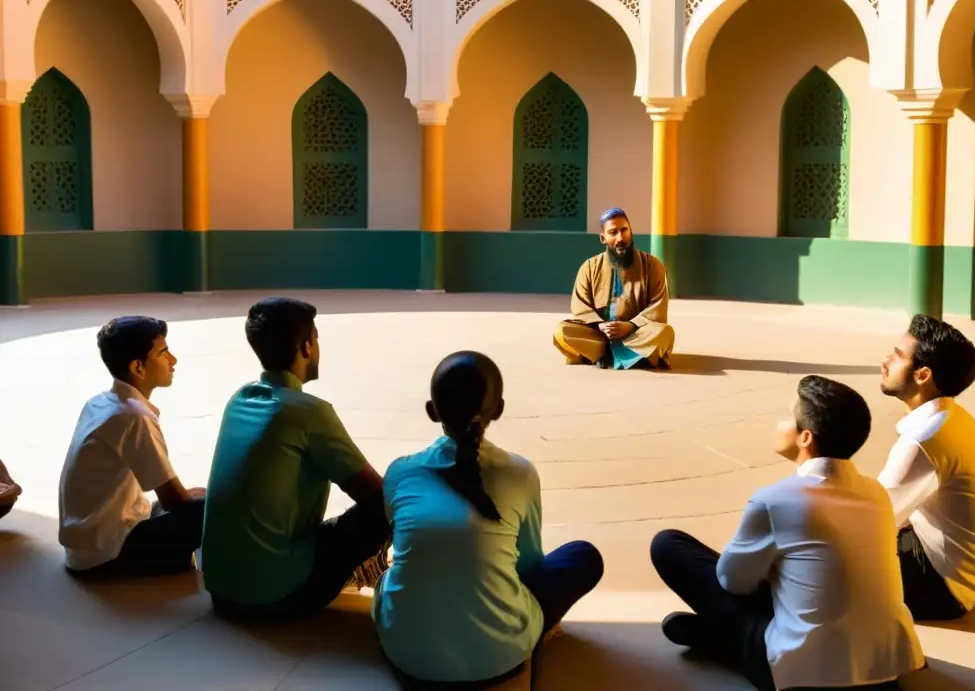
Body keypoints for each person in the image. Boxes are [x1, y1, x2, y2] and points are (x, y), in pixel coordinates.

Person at [651, 375, 924, 691]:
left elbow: (733, 582)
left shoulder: (775, 499)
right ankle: (715, 634)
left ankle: (719, 638)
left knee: (669, 546)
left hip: (804, 675)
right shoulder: (876, 493)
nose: (779, 423)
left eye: (786, 416)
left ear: (805, 437)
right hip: (885, 667)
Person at [373, 351, 604, 688]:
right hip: (500, 657)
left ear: (432, 410)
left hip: (407, 655)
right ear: (499, 409)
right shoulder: (520, 473)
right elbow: (528, 565)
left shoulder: (400, 471)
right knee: (582, 557)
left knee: (393, 576)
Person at [201, 297, 390, 621]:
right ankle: (372, 573)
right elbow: (375, 494)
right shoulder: (309, 412)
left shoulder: (239, 399)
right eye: (316, 340)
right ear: (305, 347)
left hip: (220, 591)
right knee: (385, 505)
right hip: (276, 598)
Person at [58, 317, 205, 577]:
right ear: (138, 367)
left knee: (203, 497)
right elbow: (173, 500)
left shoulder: (101, 402)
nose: (173, 360)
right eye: (163, 352)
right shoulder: (134, 417)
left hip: (85, 547)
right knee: (217, 508)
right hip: (107, 554)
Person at [877, 314, 975, 622]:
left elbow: (872, 520)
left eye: (898, 356)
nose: (885, 361)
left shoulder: (924, 440)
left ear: (922, 375)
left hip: (942, 588)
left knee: (813, 561)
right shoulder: (952, 417)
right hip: (962, 573)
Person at [553, 208, 674, 369]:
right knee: (561, 332)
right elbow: (580, 306)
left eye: (624, 230)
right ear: (603, 238)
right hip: (599, 335)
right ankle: (618, 353)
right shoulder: (589, 267)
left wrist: (630, 325)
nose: (621, 238)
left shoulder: (652, 265)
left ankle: (604, 355)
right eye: (613, 232)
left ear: (631, 232)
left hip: (636, 334)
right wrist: (600, 325)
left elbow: (657, 306)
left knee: (664, 333)